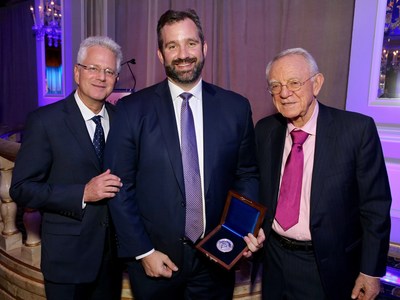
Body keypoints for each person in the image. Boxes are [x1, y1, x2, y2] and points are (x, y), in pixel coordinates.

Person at [105, 9, 264, 300]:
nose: (183, 54)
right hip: (155, 261)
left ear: (204, 48)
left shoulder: (236, 108)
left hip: (217, 261)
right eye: (172, 46)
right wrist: (143, 252)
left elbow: (247, 175)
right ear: (160, 55)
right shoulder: (131, 110)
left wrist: (242, 230)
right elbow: (119, 187)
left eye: (190, 43)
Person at [255, 47, 392, 300]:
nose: (284, 93)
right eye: (276, 86)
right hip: (274, 261)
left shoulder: (356, 131)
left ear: (316, 84)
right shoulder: (265, 131)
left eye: (294, 83)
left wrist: (371, 272)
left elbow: (375, 207)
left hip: (326, 266)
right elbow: (258, 190)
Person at [10, 36, 124, 300]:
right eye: (92, 68)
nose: (101, 77)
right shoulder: (45, 122)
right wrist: (82, 194)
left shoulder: (122, 120)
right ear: (76, 72)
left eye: (109, 71)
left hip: (112, 260)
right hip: (67, 261)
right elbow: (21, 189)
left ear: (117, 78)